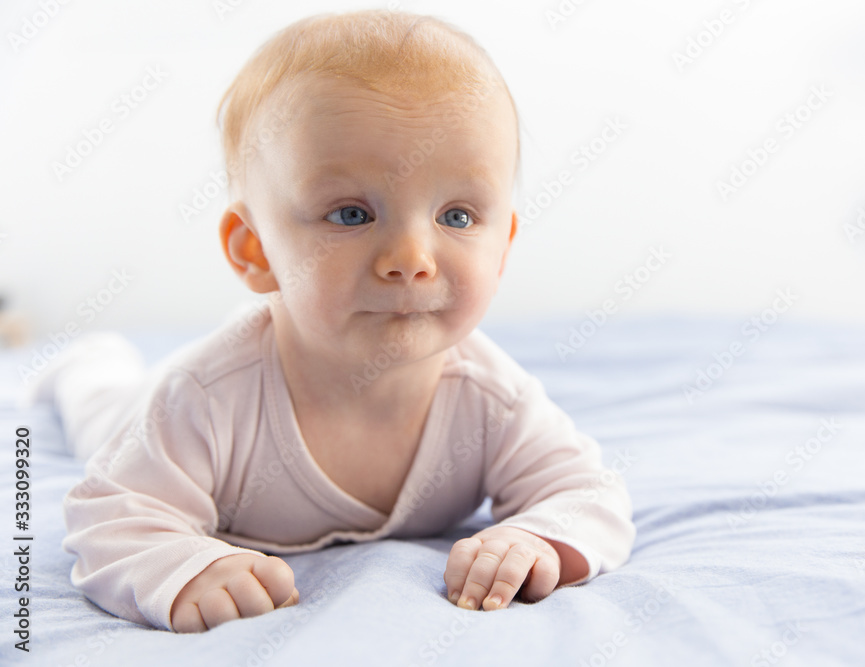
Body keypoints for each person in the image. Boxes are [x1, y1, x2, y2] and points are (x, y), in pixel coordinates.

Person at [38, 10, 635, 633]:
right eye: (350, 214)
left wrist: (537, 539)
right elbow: (111, 514)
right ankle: (87, 364)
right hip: (142, 405)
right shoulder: (205, 399)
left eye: (457, 217)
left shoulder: (492, 399)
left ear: (503, 244)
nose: (410, 260)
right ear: (256, 250)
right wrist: (185, 567)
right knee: (100, 407)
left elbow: (589, 496)